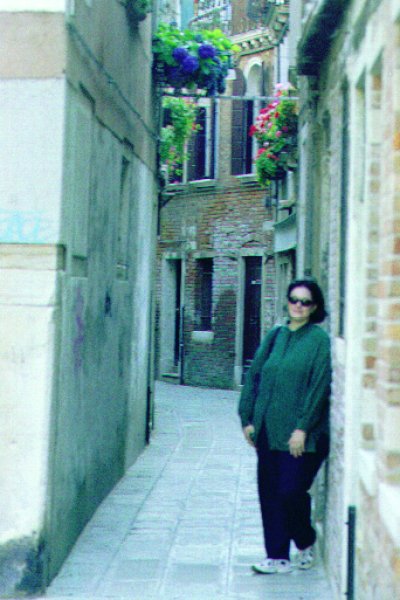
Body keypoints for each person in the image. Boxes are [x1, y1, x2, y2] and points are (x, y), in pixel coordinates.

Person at [238, 279, 331, 574]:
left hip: (302, 437)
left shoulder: (319, 341)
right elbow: (254, 377)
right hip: (267, 431)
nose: (298, 306)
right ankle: (277, 556)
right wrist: (247, 419)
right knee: (270, 494)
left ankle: (304, 541)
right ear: (287, 301)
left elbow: (319, 387)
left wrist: (302, 428)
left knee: (291, 492)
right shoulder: (275, 336)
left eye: (305, 302)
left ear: (314, 307)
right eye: (294, 299)